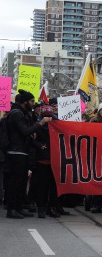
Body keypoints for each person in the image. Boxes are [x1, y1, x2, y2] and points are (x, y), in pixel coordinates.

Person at [5, 90, 52, 219]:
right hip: (16, 152)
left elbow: (27, 133)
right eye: (31, 101)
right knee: (15, 181)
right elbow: (25, 131)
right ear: (25, 102)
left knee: (22, 181)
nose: (33, 104)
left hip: (22, 151)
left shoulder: (23, 113)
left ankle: (19, 207)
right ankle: (11, 209)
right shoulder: (16, 114)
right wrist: (40, 123)